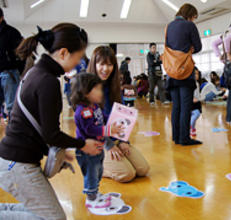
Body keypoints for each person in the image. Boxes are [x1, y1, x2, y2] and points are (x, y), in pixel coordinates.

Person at [0, 23, 103, 220]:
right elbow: (51, 134)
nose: (78, 64)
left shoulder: (35, 72)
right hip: (17, 164)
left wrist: (53, 153)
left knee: (44, 214)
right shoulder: (47, 81)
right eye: (78, 57)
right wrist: (82, 144)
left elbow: (34, 127)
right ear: (64, 53)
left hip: (12, 161)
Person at [87, 46, 149, 182]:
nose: (106, 68)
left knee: (143, 169)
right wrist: (109, 145)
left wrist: (123, 141)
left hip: (115, 137)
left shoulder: (114, 87)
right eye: (102, 64)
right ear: (94, 64)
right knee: (127, 174)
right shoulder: (86, 90)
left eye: (110, 64)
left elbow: (121, 118)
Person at [71, 73, 124, 214]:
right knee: (92, 172)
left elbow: (103, 118)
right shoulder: (83, 111)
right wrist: (108, 130)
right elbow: (90, 129)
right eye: (98, 89)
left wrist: (114, 119)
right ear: (85, 92)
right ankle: (91, 197)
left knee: (98, 170)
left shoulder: (94, 106)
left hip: (98, 148)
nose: (101, 93)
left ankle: (95, 192)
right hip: (87, 151)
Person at [165, 3, 202, 145]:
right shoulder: (189, 25)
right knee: (186, 106)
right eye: (193, 17)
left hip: (172, 71)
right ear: (189, 15)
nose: (193, 20)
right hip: (185, 70)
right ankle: (184, 138)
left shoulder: (169, 26)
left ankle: (175, 137)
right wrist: (190, 49)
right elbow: (198, 46)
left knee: (176, 106)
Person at [0, 8, 23, 118]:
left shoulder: (12, 33)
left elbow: (22, 54)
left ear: (1, 18)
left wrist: (18, 70)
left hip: (9, 73)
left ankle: (13, 132)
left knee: (11, 106)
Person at [191, 67, 202, 137]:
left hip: (197, 101)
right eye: (194, 74)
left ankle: (192, 128)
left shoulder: (197, 83)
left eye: (197, 74)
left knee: (194, 116)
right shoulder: (191, 83)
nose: (196, 75)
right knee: (196, 114)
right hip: (192, 102)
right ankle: (190, 126)